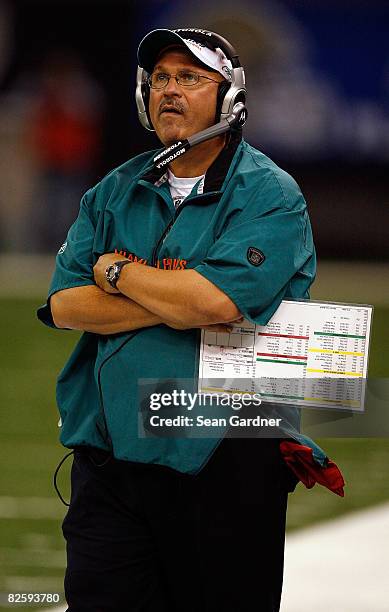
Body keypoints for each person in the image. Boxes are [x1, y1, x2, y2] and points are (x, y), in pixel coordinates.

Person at [38, 28, 330, 612]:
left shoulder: (271, 194)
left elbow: (215, 303)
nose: (170, 90)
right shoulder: (111, 191)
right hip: (111, 462)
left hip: (227, 458)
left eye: (190, 78)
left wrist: (117, 274)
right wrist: (173, 296)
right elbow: (65, 306)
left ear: (229, 99)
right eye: (161, 79)